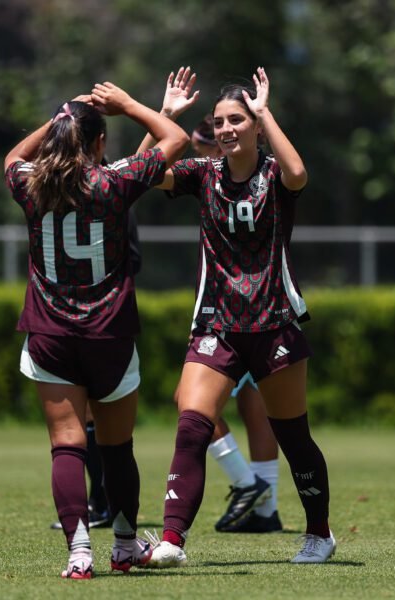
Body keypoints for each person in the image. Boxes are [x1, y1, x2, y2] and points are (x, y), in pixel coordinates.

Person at [139, 66, 335, 566]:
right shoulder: (202, 175)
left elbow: (298, 173)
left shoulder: (274, 174)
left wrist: (267, 113)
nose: (225, 130)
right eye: (219, 122)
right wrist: (163, 117)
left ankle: (319, 535)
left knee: (294, 436)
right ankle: (172, 542)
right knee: (191, 424)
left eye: (236, 120)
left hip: (274, 325)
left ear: (254, 125)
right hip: (217, 325)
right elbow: (135, 175)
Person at [4, 83, 189, 579]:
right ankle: (125, 547)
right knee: (116, 447)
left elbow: (12, 157)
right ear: (102, 142)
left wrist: (62, 116)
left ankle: (79, 553)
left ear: (57, 138)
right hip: (108, 333)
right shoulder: (114, 182)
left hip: (50, 333)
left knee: (67, 444)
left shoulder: (31, 185)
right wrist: (129, 105)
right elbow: (175, 138)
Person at [190, 116, 282, 534]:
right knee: (255, 410)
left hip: (237, 314)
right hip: (250, 311)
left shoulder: (243, 177)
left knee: (192, 403)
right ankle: (267, 509)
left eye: (198, 145)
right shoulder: (217, 178)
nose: (196, 152)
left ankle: (250, 487)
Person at [50, 207, 142, 531]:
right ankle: (112, 525)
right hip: (101, 324)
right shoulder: (117, 185)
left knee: (87, 431)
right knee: (99, 433)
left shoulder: (51, 186)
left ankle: (98, 510)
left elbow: (132, 257)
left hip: (82, 323)